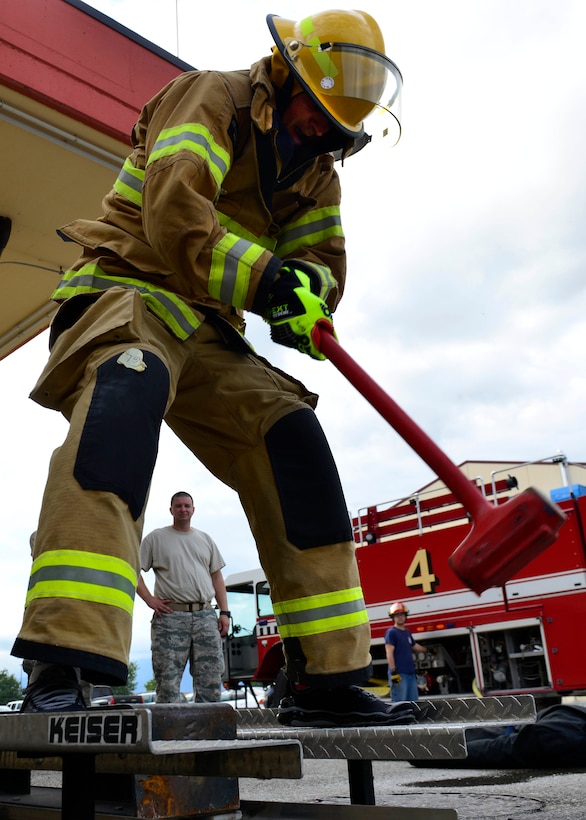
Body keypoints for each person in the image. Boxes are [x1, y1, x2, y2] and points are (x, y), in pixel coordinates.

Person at [12, 9, 407, 728]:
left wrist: (304, 297)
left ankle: (326, 678)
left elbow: (321, 271)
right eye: (312, 113)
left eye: (335, 129)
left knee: (293, 438)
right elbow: (175, 212)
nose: (319, 133)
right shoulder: (211, 98)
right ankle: (63, 661)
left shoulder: (317, 177)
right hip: (126, 289)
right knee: (124, 405)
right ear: (284, 74)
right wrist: (268, 280)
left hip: (207, 324)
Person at [137, 491, 229, 703]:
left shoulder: (205, 539)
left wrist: (224, 612)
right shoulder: (155, 538)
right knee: (167, 680)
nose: (183, 509)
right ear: (171, 510)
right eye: (178, 506)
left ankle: (210, 731)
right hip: (170, 618)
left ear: (193, 510)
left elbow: (217, 577)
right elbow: (134, 571)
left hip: (205, 615)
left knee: (211, 679)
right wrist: (150, 599)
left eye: (187, 506)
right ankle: (171, 732)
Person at [384, 602, 426, 702]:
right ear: (393, 617)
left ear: (405, 616)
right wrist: (394, 672)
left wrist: (426, 649)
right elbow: (389, 652)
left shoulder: (407, 632)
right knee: (400, 703)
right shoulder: (391, 633)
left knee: (413, 703)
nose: (400, 617)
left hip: (410, 673)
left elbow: (414, 645)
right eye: (397, 615)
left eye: (402, 614)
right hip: (399, 674)